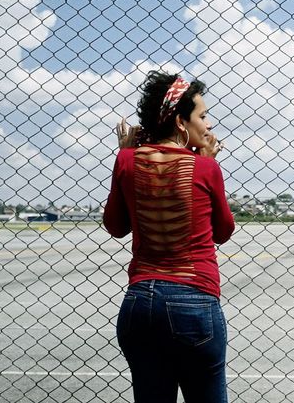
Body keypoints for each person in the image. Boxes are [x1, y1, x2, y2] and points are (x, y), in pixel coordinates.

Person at [104, 70, 235, 403]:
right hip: (193, 299)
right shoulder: (205, 167)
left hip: (139, 303)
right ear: (180, 122)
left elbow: (116, 226)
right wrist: (206, 161)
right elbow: (223, 232)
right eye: (202, 116)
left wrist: (124, 155)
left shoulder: (126, 160)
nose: (208, 125)